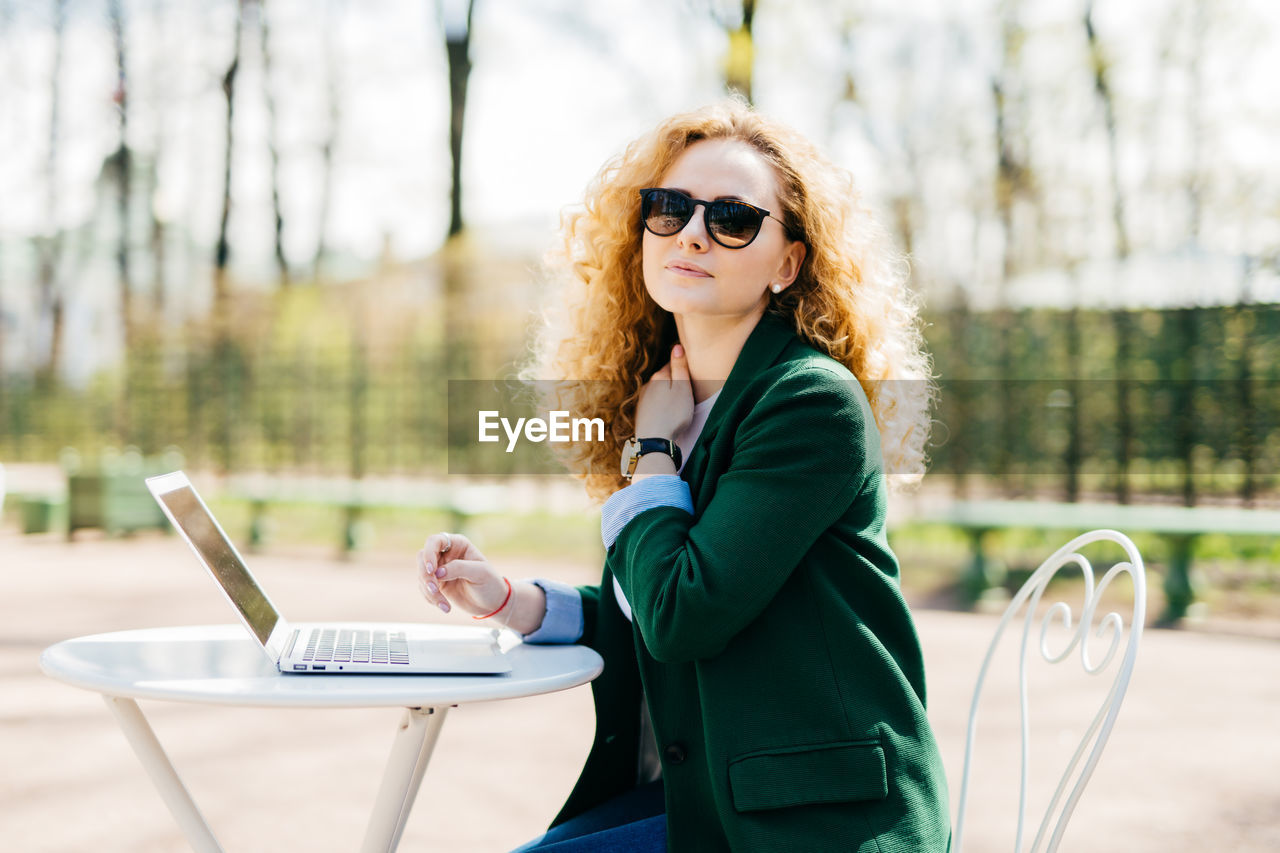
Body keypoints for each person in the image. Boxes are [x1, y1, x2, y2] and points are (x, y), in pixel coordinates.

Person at [416, 100, 949, 852]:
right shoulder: (676, 401)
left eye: (733, 218)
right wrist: (513, 601)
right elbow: (651, 597)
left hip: (818, 822)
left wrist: (653, 452)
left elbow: (681, 614)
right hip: (715, 802)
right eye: (669, 208)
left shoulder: (807, 400)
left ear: (788, 263)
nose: (693, 232)